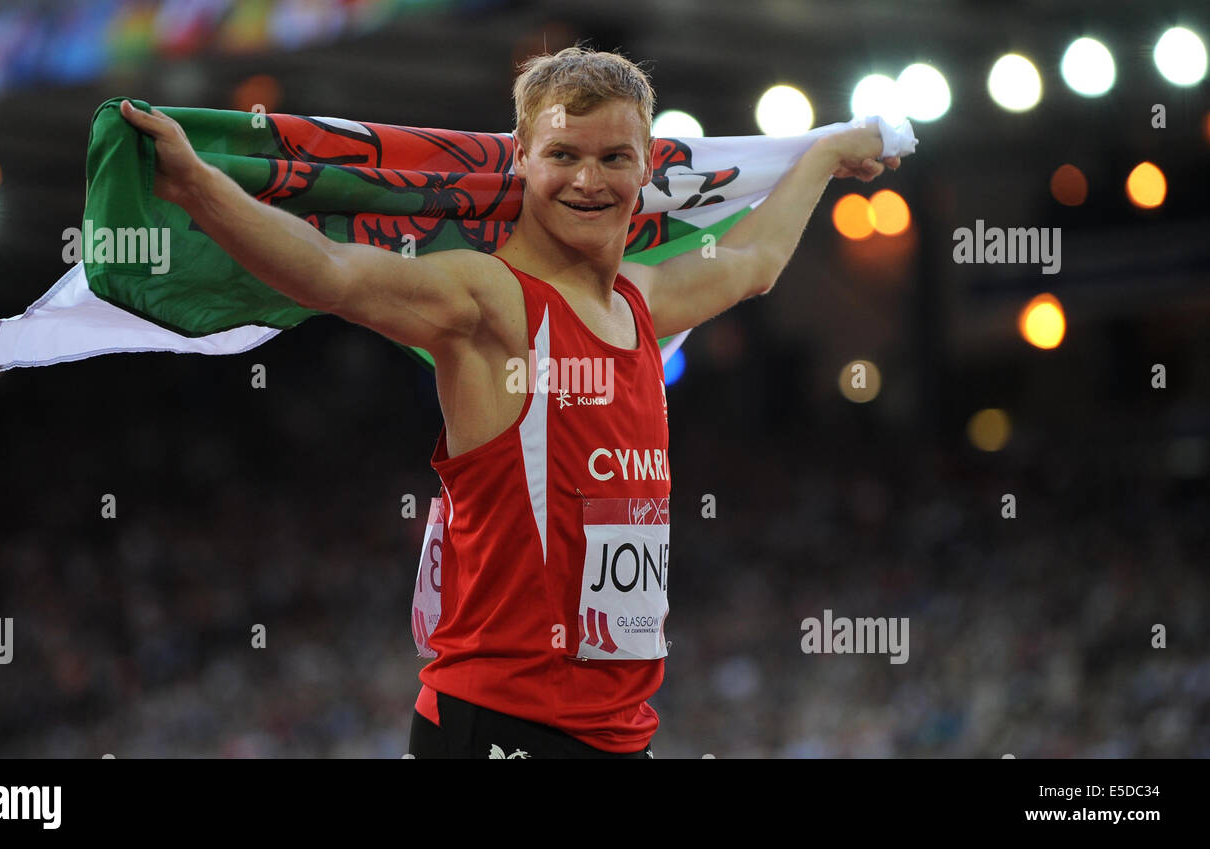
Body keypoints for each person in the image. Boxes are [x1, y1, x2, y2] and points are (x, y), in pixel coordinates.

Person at [118, 44, 900, 759]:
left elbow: (756, 258)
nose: (589, 181)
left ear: (648, 167)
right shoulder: (492, 300)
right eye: (563, 155)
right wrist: (196, 185)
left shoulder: (643, 301)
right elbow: (333, 271)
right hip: (501, 724)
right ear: (521, 158)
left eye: (613, 158)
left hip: (618, 733)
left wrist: (827, 151)